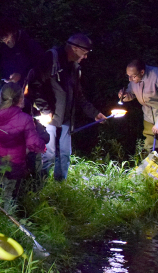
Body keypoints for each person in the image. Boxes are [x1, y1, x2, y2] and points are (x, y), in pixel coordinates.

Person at [28, 33, 106, 181]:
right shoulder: (52, 59)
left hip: (66, 117)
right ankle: (39, 185)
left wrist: (94, 113)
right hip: (48, 117)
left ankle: (59, 187)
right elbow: (34, 84)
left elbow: (78, 95)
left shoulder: (75, 68)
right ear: (75, 48)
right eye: (85, 52)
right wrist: (45, 110)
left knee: (64, 154)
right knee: (48, 154)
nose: (86, 57)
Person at [0, 82, 46, 209]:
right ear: (21, 99)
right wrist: (43, 143)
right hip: (15, 165)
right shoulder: (25, 119)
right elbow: (34, 144)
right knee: (10, 196)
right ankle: (8, 222)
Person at [118, 59, 158, 166]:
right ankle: (150, 169)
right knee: (149, 143)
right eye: (128, 76)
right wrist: (125, 96)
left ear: (142, 72)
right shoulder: (133, 79)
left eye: (133, 76)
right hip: (148, 115)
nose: (130, 79)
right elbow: (131, 93)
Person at [0, 17, 44, 86]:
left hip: (32, 85)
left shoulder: (28, 43)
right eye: (3, 40)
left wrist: (21, 75)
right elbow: (4, 66)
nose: (6, 42)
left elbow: (40, 65)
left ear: (13, 32)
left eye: (7, 39)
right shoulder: (4, 48)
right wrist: (6, 78)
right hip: (15, 87)